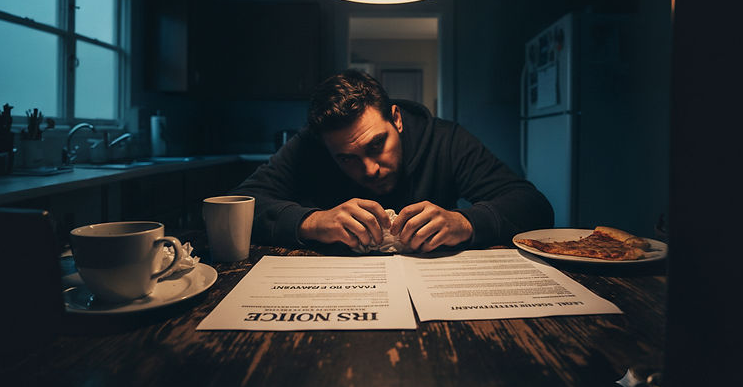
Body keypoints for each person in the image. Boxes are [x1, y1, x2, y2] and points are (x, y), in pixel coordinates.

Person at [234, 70, 554, 252]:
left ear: (396, 120)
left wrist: (466, 223)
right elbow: (244, 204)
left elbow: (534, 206)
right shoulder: (310, 145)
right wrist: (312, 222)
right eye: (347, 159)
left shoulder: (446, 140)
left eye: (376, 145)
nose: (370, 169)